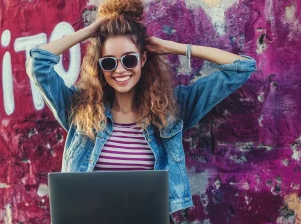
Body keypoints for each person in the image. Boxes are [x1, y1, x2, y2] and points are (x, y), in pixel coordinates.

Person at [25, 0, 257, 220]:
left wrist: (173, 47)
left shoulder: (173, 109)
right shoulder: (79, 110)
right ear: (100, 66)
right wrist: (90, 31)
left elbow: (241, 68)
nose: (120, 70)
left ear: (143, 59)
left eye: (129, 60)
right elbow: (38, 64)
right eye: (109, 62)